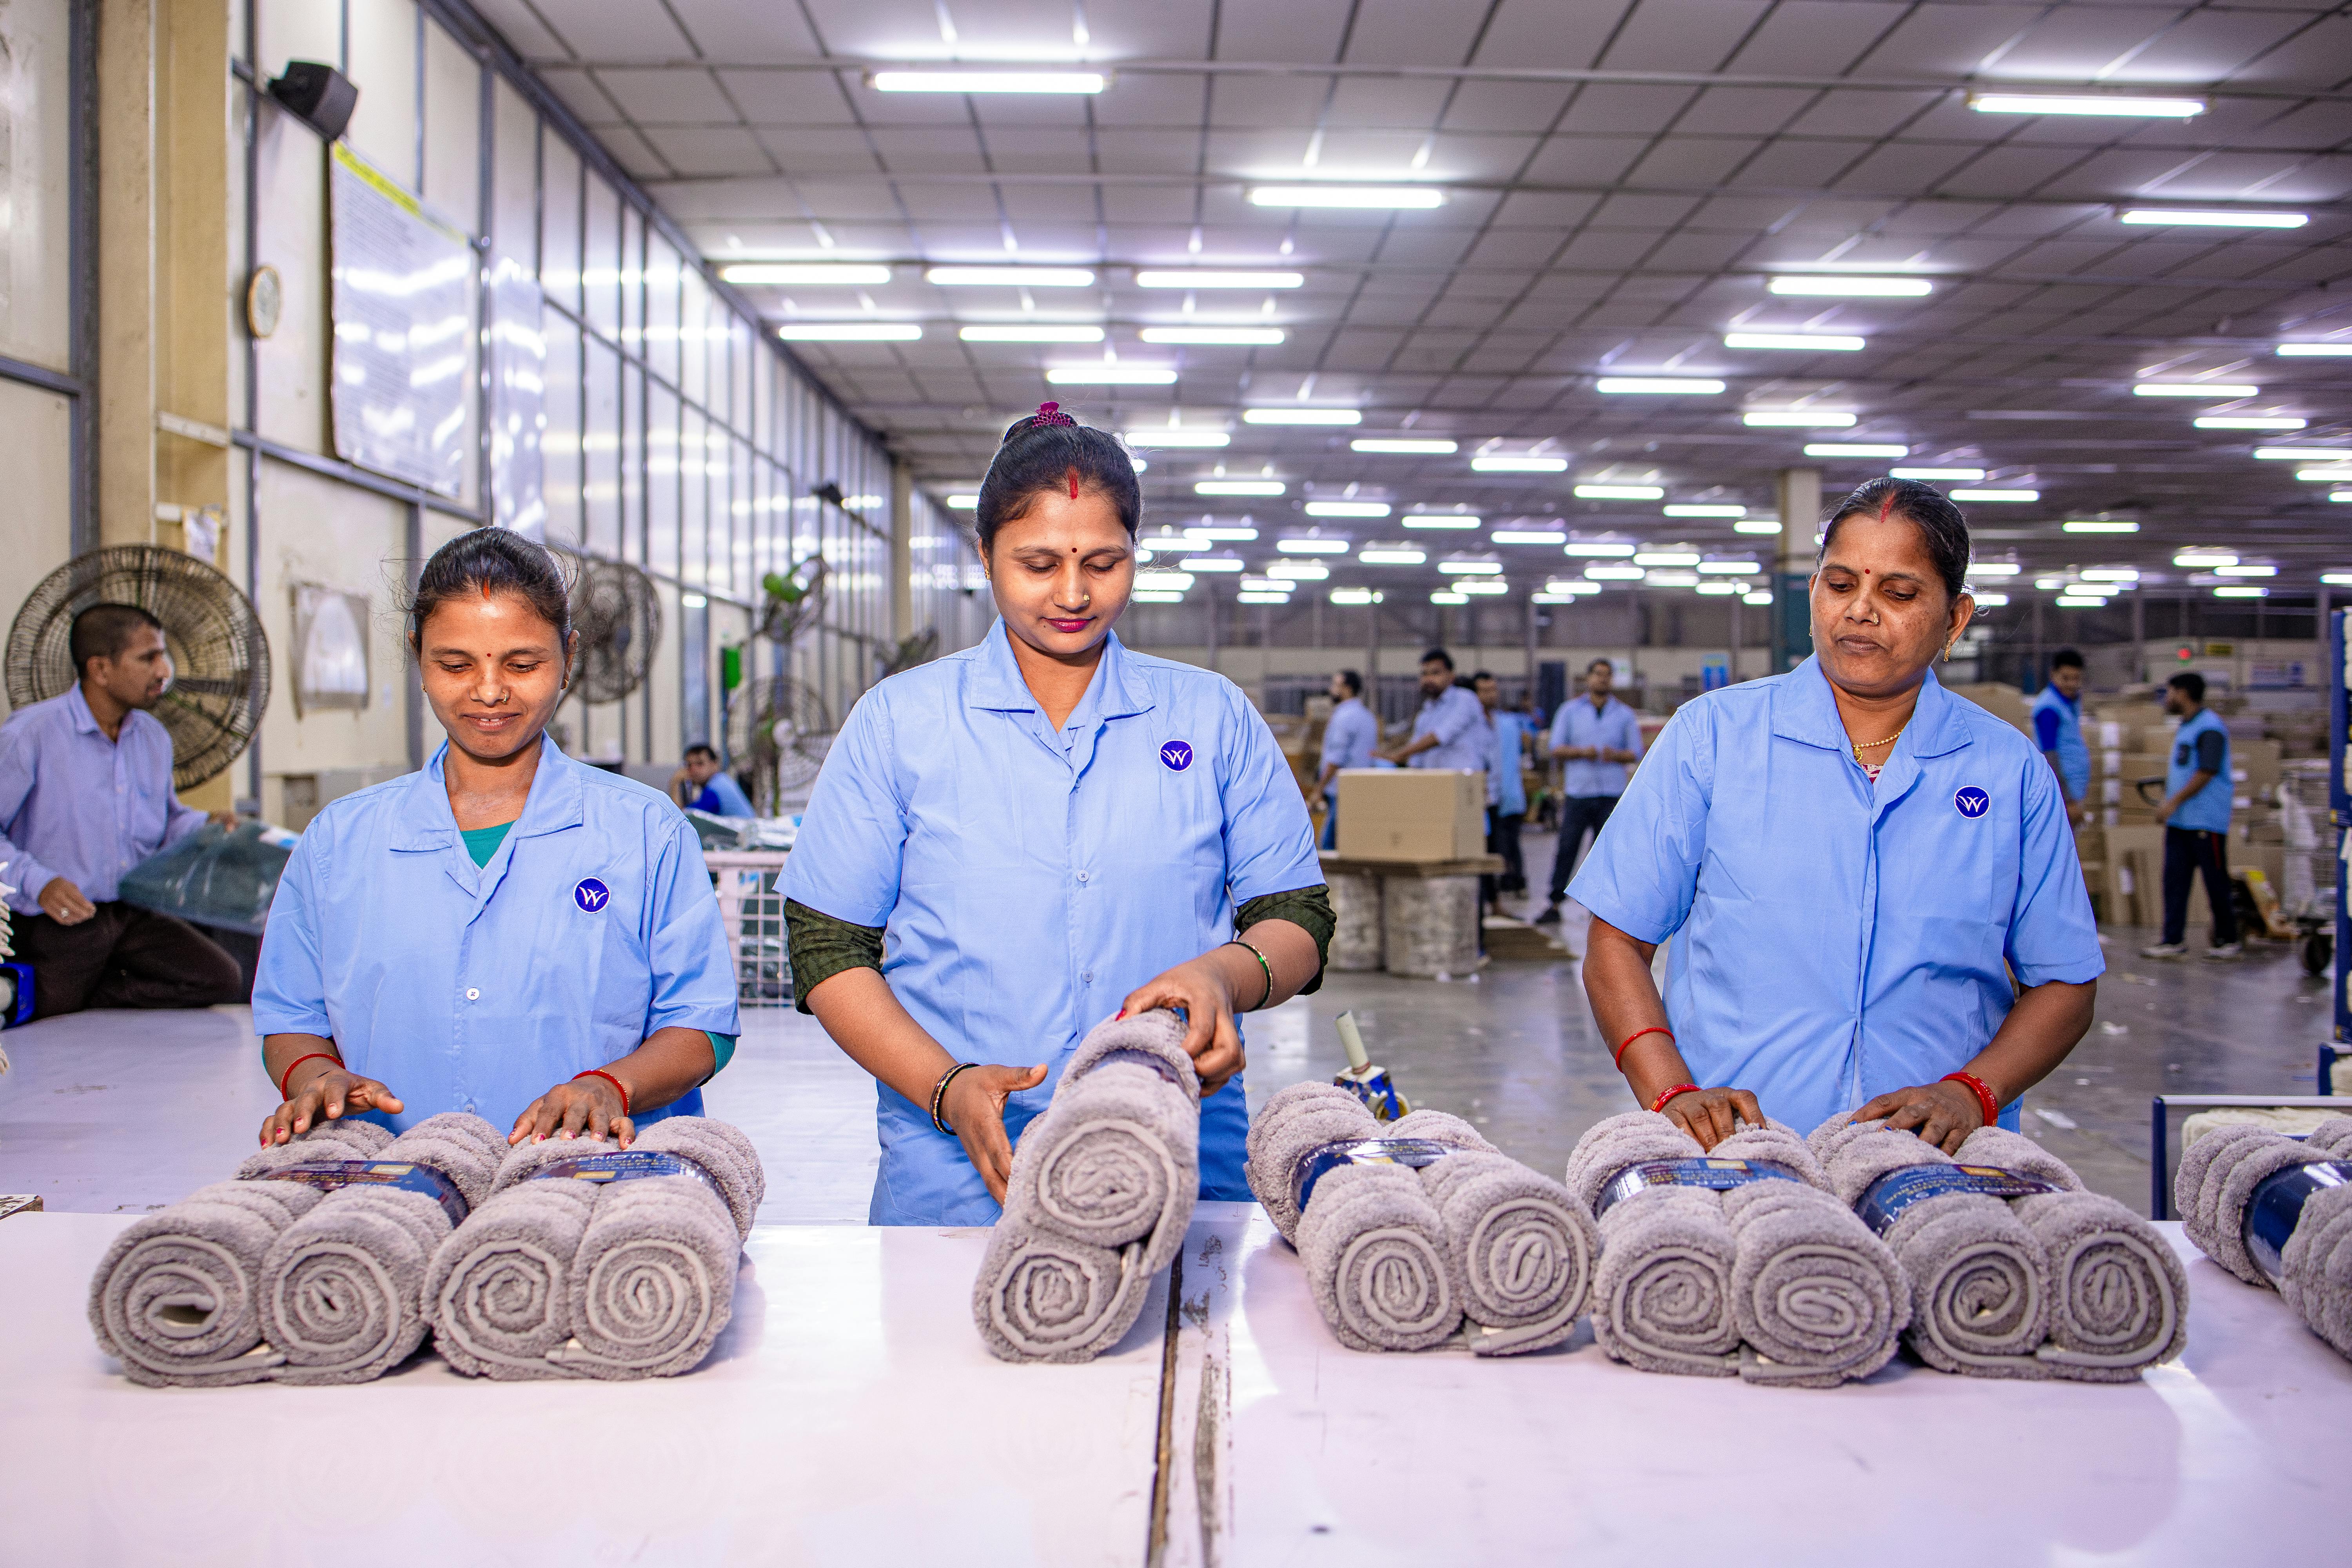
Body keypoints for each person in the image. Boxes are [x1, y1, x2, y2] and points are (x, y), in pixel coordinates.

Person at [779, 403, 1332, 1225]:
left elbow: (1296, 917)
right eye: (1038, 563)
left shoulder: (1210, 717)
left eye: (1103, 562)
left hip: (1177, 1146)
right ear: (985, 556)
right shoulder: (903, 722)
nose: (1072, 594)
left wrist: (1224, 972)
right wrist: (946, 1084)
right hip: (957, 1170)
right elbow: (827, 944)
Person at [1570, 478, 2102, 1151]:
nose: (1861, 612)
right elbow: (1616, 940)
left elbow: (2064, 980)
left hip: (1936, 1163)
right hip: (1740, 1154)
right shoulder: (1713, 739)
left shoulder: (2007, 772)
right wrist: (1673, 1092)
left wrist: (1972, 1093)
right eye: (1841, 584)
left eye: (1899, 594)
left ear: (1956, 620)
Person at [251, 529, 739, 1149]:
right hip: (396, 1179)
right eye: (455, 665)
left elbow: (702, 1026)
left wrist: (611, 1086)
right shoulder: (339, 843)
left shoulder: (646, 832)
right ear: (417, 655)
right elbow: (290, 1017)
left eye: (522, 663)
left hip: (592, 1180)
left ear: (569, 655)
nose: (488, 691)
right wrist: (315, 1075)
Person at [0, 603, 244, 1019]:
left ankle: (96, 991)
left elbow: (165, 823)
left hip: (130, 913)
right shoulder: (31, 735)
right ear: (100, 669)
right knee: (47, 1008)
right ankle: (81, 989)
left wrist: (204, 825)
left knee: (220, 977)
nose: (164, 671)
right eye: (148, 657)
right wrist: (40, 882)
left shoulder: (152, 738)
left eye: (162, 655)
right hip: (59, 919)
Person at [1533, 658, 1641, 927]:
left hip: (1611, 793)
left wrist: (1614, 755)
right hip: (1579, 792)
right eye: (1598, 675)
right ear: (1588, 678)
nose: (1602, 680)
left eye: (1607, 675)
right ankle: (1555, 902)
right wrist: (1583, 752)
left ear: (1611, 680)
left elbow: (1636, 752)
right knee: (1568, 847)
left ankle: (1603, 908)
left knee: (1607, 852)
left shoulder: (1624, 715)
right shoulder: (1570, 712)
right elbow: (1555, 748)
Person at [2141, 671, 2239, 961]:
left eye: (2169, 692)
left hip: (2205, 821)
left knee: (2215, 881)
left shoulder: (2210, 727)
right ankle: (2172, 939)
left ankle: (2228, 939)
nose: (2166, 698)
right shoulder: (2187, 726)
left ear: (2182, 693)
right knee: (2175, 882)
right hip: (2182, 821)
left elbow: (2206, 771)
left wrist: (2172, 802)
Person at [1473, 671, 1532, 913]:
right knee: (1483, 850)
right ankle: (1489, 901)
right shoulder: (1471, 726)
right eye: (1485, 691)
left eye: (1493, 690)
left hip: (1505, 797)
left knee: (1505, 848)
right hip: (1478, 799)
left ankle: (1504, 894)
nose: (1491, 695)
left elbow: (1515, 758)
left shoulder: (1508, 724)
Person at [1381, 648, 1486, 773]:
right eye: (1425, 674)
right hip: (1434, 785)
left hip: (1466, 783)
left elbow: (1441, 736)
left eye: (1435, 673)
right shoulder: (1426, 713)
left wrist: (1401, 753)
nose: (1429, 679)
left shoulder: (1465, 698)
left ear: (1451, 676)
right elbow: (1416, 760)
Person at [1314, 668, 1378, 850]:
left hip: (1342, 791)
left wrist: (1319, 789)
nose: (1331, 689)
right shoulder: (1367, 716)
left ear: (1347, 689)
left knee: (1329, 846)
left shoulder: (1345, 717)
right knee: (1353, 844)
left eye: (1336, 685)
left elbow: (1336, 758)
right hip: (1361, 789)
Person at [2032, 648, 2090, 825]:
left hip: (2073, 790)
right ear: (2053, 675)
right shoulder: (2049, 709)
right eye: (2066, 678)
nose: (2072, 684)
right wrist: (2068, 800)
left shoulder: (2070, 700)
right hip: (2062, 794)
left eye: (2076, 679)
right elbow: (2050, 756)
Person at [674, 742, 756, 818]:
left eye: (700, 764)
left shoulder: (715, 788)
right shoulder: (721, 780)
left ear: (715, 765)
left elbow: (683, 818)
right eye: (689, 765)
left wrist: (675, 784)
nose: (694, 769)